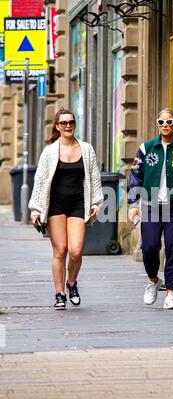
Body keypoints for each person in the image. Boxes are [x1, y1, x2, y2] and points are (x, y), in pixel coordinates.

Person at [128, 109, 173, 309]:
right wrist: (134, 204)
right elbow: (135, 176)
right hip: (151, 205)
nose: (165, 125)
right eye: (161, 121)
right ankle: (153, 280)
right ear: (157, 124)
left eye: (169, 121)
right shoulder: (146, 148)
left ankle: (171, 292)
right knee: (149, 247)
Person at [29, 108, 103, 310]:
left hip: (79, 204)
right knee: (60, 251)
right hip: (56, 205)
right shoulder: (50, 151)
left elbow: (95, 178)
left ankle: (72, 283)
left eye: (71, 122)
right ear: (57, 126)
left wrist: (96, 204)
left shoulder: (86, 149)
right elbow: (40, 180)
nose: (68, 126)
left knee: (76, 251)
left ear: (74, 124)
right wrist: (36, 209)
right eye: (64, 123)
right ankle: (60, 293)